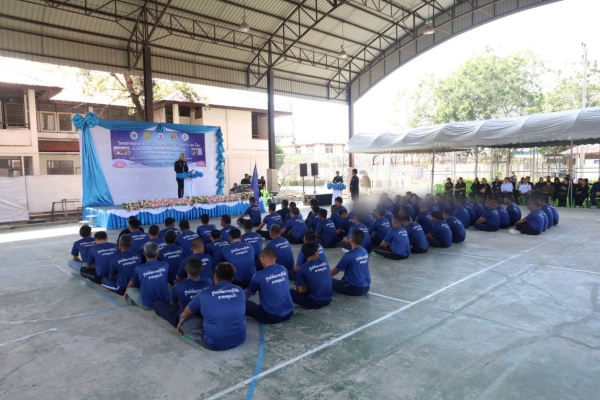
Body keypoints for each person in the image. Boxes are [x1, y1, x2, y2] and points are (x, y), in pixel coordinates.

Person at [177, 262, 246, 351]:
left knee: (185, 321)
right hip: (239, 339)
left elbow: (186, 313)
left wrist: (181, 323)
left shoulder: (204, 294)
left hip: (214, 344)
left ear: (215, 276)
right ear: (232, 278)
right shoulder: (240, 291)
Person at [155, 258, 213, 327]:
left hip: (184, 319)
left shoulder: (178, 286)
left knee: (158, 304)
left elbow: (174, 304)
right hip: (202, 316)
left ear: (186, 269)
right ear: (202, 270)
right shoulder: (209, 282)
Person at [245, 248, 294, 324]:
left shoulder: (258, 275)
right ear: (275, 258)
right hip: (289, 313)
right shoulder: (283, 269)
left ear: (262, 257)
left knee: (245, 304)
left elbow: (248, 294)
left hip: (271, 316)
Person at [124, 242, 170, 309]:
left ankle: (130, 301)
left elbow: (132, 283)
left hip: (148, 305)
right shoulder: (165, 264)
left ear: (144, 253)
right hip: (164, 301)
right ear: (158, 253)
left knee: (130, 290)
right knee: (167, 284)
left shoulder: (139, 268)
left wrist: (126, 290)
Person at [290, 242, 333, 309]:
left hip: (315, 302)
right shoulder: (324, 262)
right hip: (329, 298)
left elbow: (300, 290)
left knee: (289, 292)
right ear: (315, 253)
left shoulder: (303, 268)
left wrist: (310, 287)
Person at [331, 229, 371, 296]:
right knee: (345, 276)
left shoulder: (349, 256)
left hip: (355, 288)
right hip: (367, 286)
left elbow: (335, 271)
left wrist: (325, 276)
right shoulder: (364, 251)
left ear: (351, 239)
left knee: (329, 280)